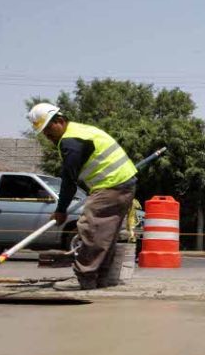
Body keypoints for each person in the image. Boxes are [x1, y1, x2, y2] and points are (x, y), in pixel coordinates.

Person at [26, 103, 137, 290]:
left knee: (91, 229)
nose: (47, 135)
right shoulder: (80, 131)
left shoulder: (71, 142)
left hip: (112, 184)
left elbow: (69, 181)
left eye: (48, 129)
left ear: (60, 121)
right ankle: (101, 279)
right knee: (105, 234)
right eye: (43, 132)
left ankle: (86, 276)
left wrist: (61, 211)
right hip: (121, 182)